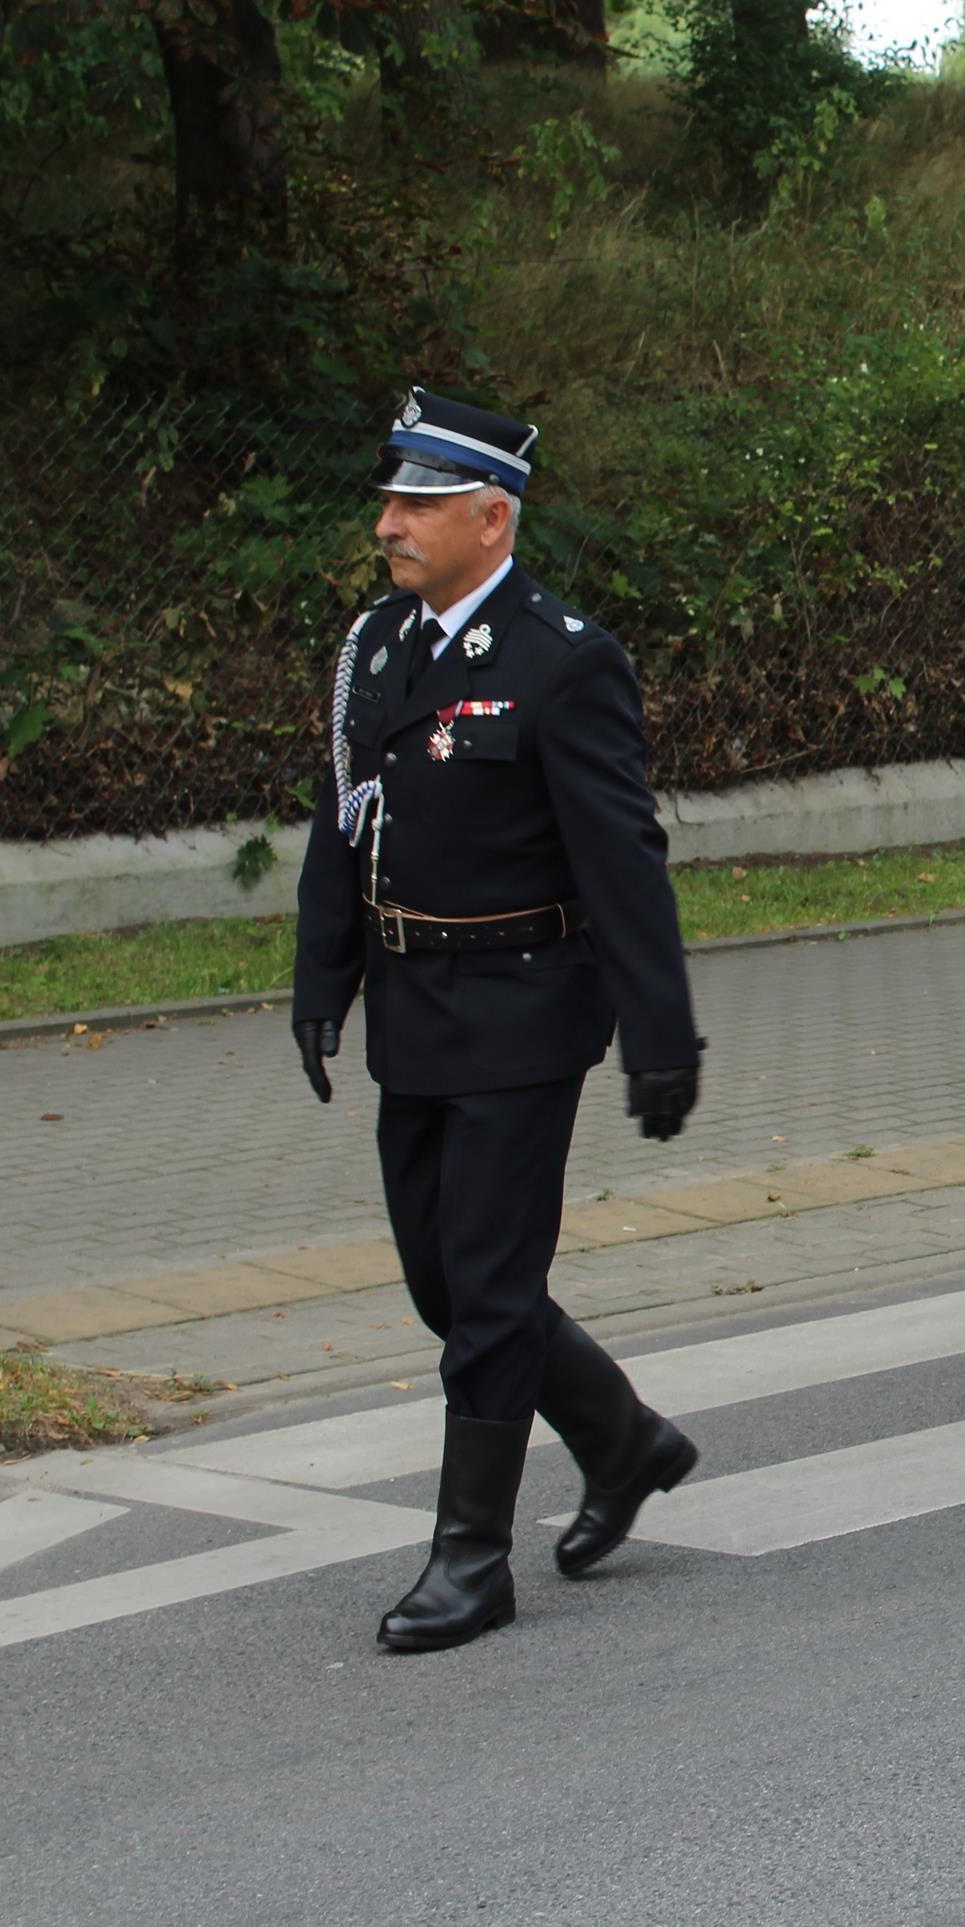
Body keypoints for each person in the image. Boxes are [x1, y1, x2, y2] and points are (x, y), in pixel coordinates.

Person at [295, 388, 705, 1653]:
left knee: (485, 1285)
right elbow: (343, 819)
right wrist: (323, 981)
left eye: (416, 504)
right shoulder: (378, 646)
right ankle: (622, 1438)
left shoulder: (563, 657)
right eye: (389, 500)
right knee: (444, 1280)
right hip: (413, 1009)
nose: (388, 525)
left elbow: (622, 859)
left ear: (492, 515)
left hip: (525, 1013)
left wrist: (661, 1033)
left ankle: (470, 1559)